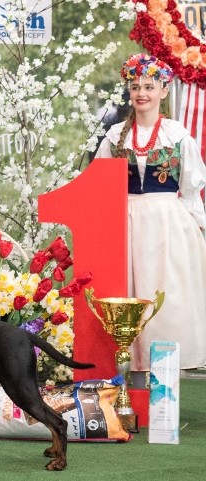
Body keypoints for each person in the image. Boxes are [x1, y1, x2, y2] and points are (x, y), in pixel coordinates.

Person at [96, 53, 206, 385]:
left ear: (162, 90)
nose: (141, 92)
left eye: (148, 86)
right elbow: (99, 187)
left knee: (165, 298)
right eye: (135, 87)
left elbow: (190, 188)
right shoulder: (116, 136)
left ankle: (163, 388)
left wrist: (197, 227)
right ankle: (132, 383)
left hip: (167, 227)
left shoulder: (177, 135)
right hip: (126, 225)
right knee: (130, 296)